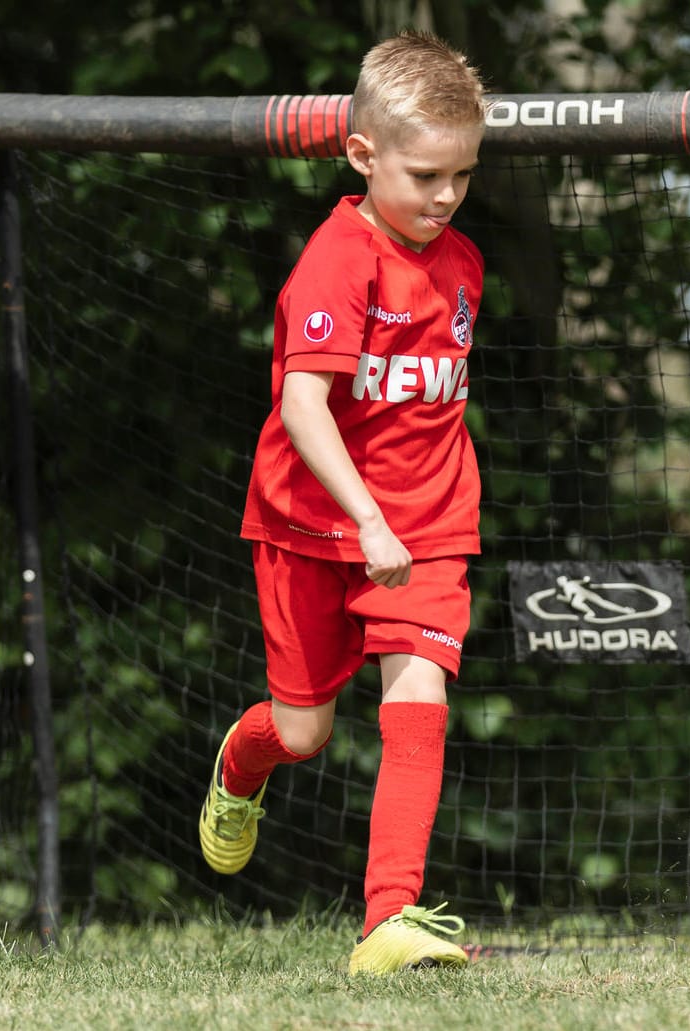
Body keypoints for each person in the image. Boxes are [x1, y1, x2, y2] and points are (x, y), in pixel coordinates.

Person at [197, 29, 488, 976]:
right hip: (309, 524)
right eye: (424, 175)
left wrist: (403, 518)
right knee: (304, 731)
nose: (444, 196)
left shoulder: (464, 265)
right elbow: (302, 405)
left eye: (462, 176)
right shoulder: (336, 259)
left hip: (429, 522)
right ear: (362, 155)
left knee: (419, 693)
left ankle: (387, 922)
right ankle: (240, 769)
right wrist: (364, 518)